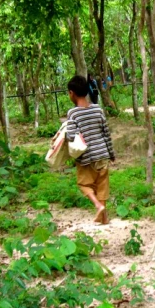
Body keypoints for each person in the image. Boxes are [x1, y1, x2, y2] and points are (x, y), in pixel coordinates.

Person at [66, 75, 115, 224]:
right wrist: (111, 153)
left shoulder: (73, 113)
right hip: (102, 154)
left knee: (84, 184)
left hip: (86, 157)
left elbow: (70, 136)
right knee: (102, 185)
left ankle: (97, 205)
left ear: (71, 93)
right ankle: (104, 217)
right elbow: (106, 133)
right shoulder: (98, 109)